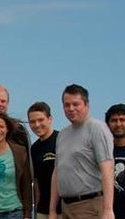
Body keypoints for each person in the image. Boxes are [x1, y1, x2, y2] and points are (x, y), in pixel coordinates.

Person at [49, 84, 114, 219]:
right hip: (66, 207)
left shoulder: (97, 129)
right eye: (67, 105)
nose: (71, 109)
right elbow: (57, 172)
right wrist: (52, 210)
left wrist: (108, 209)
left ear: (86, 104)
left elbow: (107, 170)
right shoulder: (62, 134)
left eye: (76, 104)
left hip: (90, 206)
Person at [27, 102, 60, 219]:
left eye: (41, 120)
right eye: (32, 122)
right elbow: (36, 181)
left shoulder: (61, 140)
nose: (37, 125)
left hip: (63, 209)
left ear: (49, 119)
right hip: (42, 209)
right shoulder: (34, 148)